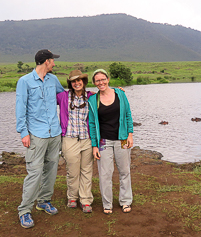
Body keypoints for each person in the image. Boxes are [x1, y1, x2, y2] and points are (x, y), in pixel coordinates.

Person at [16, 49, 64, 228]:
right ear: (46, 61)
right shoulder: (24, 82)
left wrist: (92, 95)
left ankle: (44, 201)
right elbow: (20, 108)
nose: (54, 64)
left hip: (54, 133)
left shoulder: (54, 80)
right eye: (53, 61)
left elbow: (64, 98)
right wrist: (23, 133)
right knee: (35, 172)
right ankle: (24, 210)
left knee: (51, 170)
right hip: (36, 134)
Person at [88, 69, 133, 214]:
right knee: (105, 174)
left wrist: (130, 135)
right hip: (103, 142)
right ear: (94, 83)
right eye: (97, 80)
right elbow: (92, 124)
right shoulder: (93, 100)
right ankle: (107, 204)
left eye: (103, 79)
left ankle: (125, 201)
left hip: (122, 139)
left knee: (124, 171)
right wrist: (94, 145)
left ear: (108, 79)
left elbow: (128, 115)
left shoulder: (120, 94)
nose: (101, 82)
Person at [56, 70, 94, 213]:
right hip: (69, 138)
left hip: (87, 139)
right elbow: (44, 98)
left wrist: (118, 91)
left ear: (84, 82)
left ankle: (85, 200)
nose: (77, 83)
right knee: (72, 171)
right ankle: (72, 197)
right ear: (70, 84)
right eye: (73, 81)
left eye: (79, 80)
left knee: (86, 170)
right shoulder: (62, 96)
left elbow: (108, 96)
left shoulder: (91, 97)